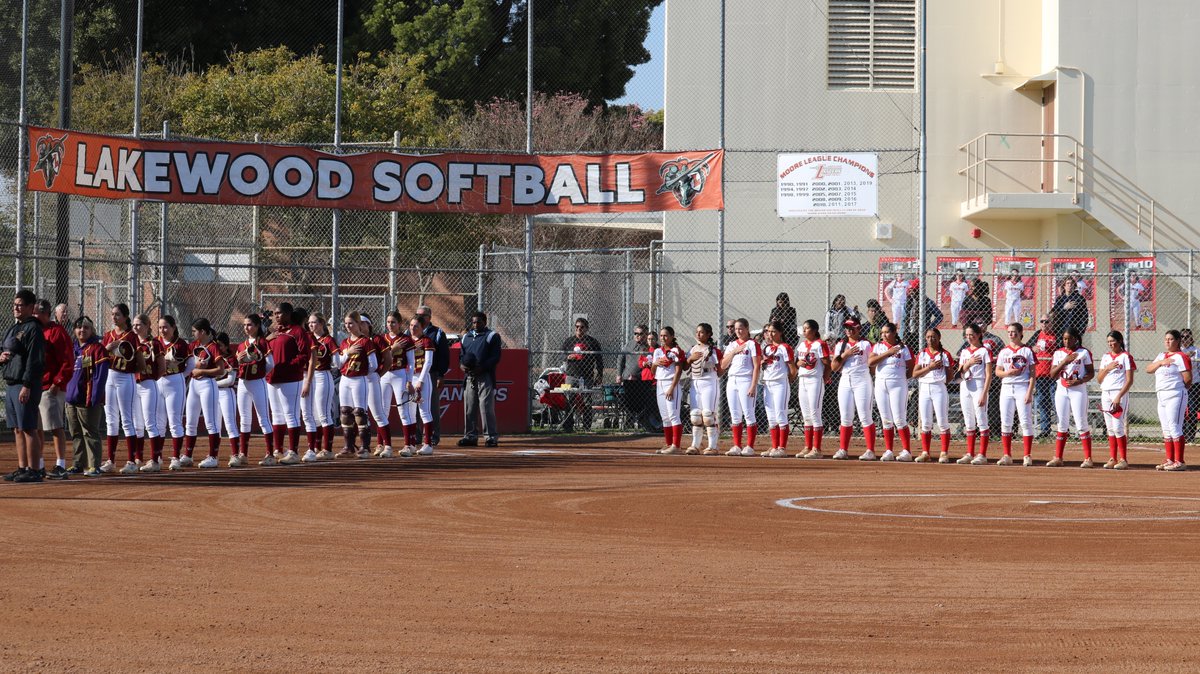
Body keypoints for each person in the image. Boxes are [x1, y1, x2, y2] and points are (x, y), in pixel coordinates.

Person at [2, 290, 47, 483]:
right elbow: (3, 348)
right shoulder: (14, 328)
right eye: (15, 304)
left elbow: (35, 361)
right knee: (17, 429)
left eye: (20, 305)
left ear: (31, 307)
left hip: (24, 383)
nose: (16, 308)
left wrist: (27, 385)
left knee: (28, 427)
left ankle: (34, 469)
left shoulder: (33, 329)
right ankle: (22, 467)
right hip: (12, 382)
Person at [177, 318, 225, 470]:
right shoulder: (194, 346)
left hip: (207, 384)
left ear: (203, 331)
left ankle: (213, 457)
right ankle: (188, 455)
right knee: (190, 422)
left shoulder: (213, 347)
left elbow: (221, 370)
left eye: (194, 331)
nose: (193, 333)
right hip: (194, 385)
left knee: (210, 422)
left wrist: (202, 370)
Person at [34, 300, 74, 479]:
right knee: (37, 428)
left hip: (51, 387)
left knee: (55, 426)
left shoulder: (57, 332)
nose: (33, 316)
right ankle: (39, 464)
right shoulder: (34, 330)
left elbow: (68, 361)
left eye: (36, 313)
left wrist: (57, 383)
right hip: (35, 385)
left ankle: (60, 464)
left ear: (44, 314)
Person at [65, 317, 107, 477]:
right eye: (79, 327)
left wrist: (94, 397)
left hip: (87, 398)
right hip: (71, 399)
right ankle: (78, 463)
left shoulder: (97, 349)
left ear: (92, 330)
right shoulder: (72, 348)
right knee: (75, 432)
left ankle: (94, 465)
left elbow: (100, 376)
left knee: (90, 432)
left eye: (86, 327)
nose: (82, 330)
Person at [1047, 327, 1095, 467]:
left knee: (1081, 423)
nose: (1066, 341)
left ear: (1076, 339)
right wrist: (1065, 361)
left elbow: (1091, 373)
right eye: (1064, 339)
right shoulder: (1059, 353)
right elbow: (1052, 374)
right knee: (1062, 423)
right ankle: (1058, 457)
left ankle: (1088, 458)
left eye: (1069, 338)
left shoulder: (1083, 353)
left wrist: (1080, 381)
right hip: (1061, 389)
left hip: (1078, 390)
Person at [266, 302, 307, 464]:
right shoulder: (275, 333)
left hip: (290, 379)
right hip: (273, 378)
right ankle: (278, 449)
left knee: (291, 414)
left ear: (289, 314)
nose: (276, 316)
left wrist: (289, 366)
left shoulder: (297, 331)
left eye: (280, 313)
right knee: (276, 415)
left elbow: (304, 355)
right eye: (275, 313)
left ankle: (294, 452)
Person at [100, 304, 138, 474]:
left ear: (125, 317)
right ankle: (111, 460)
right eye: (112, 314)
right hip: (110, 376)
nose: (114, 317)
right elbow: (100, 357)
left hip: (125, 377)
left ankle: (131, 461)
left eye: (117, 315)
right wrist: (106, 349)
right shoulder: (108, 335)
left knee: (127, 420)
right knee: (111, 420)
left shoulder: (131, 336)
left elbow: (137, 360)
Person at [830, 317, 875, 460]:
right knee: (845, 417)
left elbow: (872, 363)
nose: (849, 331)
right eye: (847, 328)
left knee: (864, 416)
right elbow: (834, 367)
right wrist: (845, 354)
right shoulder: (841, 344)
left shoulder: (866, 344)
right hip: (845, 381)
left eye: (852, 328)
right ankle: (843, 449)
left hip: (862, 380)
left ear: (858, 328)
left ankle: (870, 451)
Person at [868, 321, 914, 462]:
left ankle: (906, 450)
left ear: (894, 333)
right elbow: (871, 362)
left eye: (887, 332)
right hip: (881, 384)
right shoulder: (878, 346)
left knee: (899, 418)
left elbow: (911, 367)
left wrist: (901, 378)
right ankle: (889, 450)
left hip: (898, 385)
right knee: (886, 419)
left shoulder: (903, 348)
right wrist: (888, 353)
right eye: (882, 333)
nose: (884, 335)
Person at [333, 311, 376, 458]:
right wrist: (347, 353)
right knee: (345, 411)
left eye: (351, 323)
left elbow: (373, 365)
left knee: (359, 412)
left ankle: (365, 447)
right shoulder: (345, 342)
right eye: (346, 323)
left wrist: (362, 371)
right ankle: (349, 446)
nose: (348, 326)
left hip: (359, 379)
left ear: (358, 324)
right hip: (345, 378)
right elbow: (338, 363)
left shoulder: (366, 341)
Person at [1147, 330, 1191, 471]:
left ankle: (1179, 461)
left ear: (1178, 341)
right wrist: (1161, 362)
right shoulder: (1161, 356)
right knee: (1166, 429)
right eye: (1166, 339)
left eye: (1171, 339)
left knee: (1174, 427)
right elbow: (1148, 369)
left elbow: (1188, 378)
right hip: (1162, 395)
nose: (1167, 341)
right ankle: (1170, 459)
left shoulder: (1181, 356)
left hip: (1175, 394)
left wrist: (1179, 389)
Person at [994, 322, 1036, 466]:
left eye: (1014, 332)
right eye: (1009, 332)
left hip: (1022, 386)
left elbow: (1032, 373)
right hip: (1006, 387)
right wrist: (1007, 373)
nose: (1011, 334)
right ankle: (1007, 455)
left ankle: (1027, 455)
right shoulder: (1004, 351)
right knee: (1006, 422)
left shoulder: (1027, 350)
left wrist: (1030, 392)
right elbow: (997, 371)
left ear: (1020, 333)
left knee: (1025, 421)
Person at [127, 314, 165, 473]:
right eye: (134, 325)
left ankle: (155, 460)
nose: (135, 327)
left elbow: (162, 368)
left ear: (148, 325)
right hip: (134, 385)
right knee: (137, 425)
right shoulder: (130, 343)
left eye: (139, 324)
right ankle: (138, 458)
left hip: (149, 384)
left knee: (150, 423)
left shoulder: (154, 343)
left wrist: (151, 379)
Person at [234, 313, 274, 467]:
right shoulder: (241, 345)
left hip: (258, 382)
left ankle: (270, 454)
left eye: (249, 324)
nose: (246, 327)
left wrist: (261, 374)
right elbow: (238, 364)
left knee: (263, 418)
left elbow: (271, 364)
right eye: (244, 325)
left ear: (257, 326)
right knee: (244, 419)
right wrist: (239, 361)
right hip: (243, 383)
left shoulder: (263, 342)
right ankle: (243, 454)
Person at [458, 311, 503, 448]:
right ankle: (470, 436)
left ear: (485, 322)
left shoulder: (491, 336)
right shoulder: (466, 337)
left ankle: (490, 437)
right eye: (473, 322)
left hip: (485, 375)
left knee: (486, 407)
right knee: (469, 407)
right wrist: (462, 366)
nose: (476, 324)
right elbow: (461, 356)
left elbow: (495, 357)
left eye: (478, 322)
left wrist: (482, 367)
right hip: (470, 376)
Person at [912, 327, 954, 463]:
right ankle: (925, 452)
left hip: (938, 387)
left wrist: (942, 376)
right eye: (928, 337)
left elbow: (950, 376)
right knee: (926, 422)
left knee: (942, 421)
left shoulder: (945, 354)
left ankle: (944, 452)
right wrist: (929, 367)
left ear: (939, 338)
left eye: (934, 336)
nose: (931, 339)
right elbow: (915, 374)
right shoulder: (922, 354)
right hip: (924, 388)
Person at [720, 318, 761, 456]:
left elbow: (757, 366)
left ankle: (749, 446)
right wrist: (734, 351)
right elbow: (723, 365)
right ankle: (737, 445)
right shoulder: (732, 345)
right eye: (736, 329)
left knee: (748, 413)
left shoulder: (752, 344)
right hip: (732, 380)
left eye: (741, 328)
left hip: (746, 380)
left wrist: (753, 385)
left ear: (747, 328)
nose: (738, 331)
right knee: (735, 415)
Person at [1097, 330, 1135, 470]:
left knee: (1118, 427)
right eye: (1108, 342)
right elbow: (1099, 379)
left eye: (1113, 341)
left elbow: (1130, 380)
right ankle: (1113, 458)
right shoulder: (1106, 357)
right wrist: (1107, 368)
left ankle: (1123, 459)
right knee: (1110, 428)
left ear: (1119, 341)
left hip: (1119, 393)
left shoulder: (1125, 356)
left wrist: (1119, 396)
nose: (1111, 344)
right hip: (1105, 392)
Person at [156, 316, 191, 466]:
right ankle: (157, 456)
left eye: (165, 327)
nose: (163, 330)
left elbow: (191, 364)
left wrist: (180, 376)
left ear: (173, 327)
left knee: (175, 422)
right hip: (158, 381)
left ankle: (176, 458)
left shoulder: (181, 344)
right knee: (159, 423)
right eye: (160, 327)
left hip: (175, 382)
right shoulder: (155, 342)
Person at [379, 311, 415, 457]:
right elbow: (379, 359)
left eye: (393, 322)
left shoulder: (406, 339)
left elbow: (411, 363)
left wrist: (409, 380)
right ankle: (381, 444)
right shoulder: (382, 339)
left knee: (403, 410)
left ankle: (408, 445)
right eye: (388, 322)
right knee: (382, 410)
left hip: (399, 374)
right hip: (384, 375)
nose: (390, 325)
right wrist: (392, 350)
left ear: (400, 324)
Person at [956, 323, 993, 464]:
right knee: (969, 421)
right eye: (967, 335)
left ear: (979, 335)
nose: (969, 337)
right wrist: (969, 363)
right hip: (965, 385)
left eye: (972, 334)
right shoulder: (965, 352)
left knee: (981, 420)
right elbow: (960, 372)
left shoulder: (984, 351)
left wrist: (984, 393)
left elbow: (989, 374)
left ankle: (982, 454)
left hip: (978, 385)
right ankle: (970, 453)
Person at [759, 320, 797, 458]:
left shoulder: (785, 347)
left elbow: (793, 369)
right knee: (771, 417)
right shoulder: (767, 348)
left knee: (781, 414)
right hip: (768, 383)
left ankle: (782, 447)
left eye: (773, 331)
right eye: (768, 331)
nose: (770, 334)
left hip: (780, 383)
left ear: (780, 333)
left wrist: (788, 380)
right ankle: (774, 446)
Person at [359, 314, 394, 458]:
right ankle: (365, 446)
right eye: (358, 323)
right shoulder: (356, 340)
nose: (360, 326)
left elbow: (388, 360)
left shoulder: (377, 339)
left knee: (378, 413)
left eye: (363, 323)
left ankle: (387, 446)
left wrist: (379, 374)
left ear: (369, 325)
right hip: (357, 379)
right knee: (359, 414)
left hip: (372, 378)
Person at [684, 323, 722, 455]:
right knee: (695, 415)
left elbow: (721, 370)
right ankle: (695, 445)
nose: (698, 335)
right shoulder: (692, 349)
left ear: (708, 335)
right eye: (697, 332)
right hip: (695, 381)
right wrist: (690, 358)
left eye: (701, 332)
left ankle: (713, 446)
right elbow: (684, 367)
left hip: (709, 381)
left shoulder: (713, 350)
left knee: (708, 415)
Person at [794, 319, 830, 459]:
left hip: (815, 380)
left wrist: (825, 378)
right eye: (803, 328)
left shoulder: (820, 344)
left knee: (815, 414)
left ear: (814, 330)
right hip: (803, 380)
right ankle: (808, 446)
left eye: (807, 328)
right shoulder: (802, 345)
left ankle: (817, 448)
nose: (804, 331)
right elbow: (797, 361)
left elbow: (827, 364)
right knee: (806, 416)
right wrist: (799, 363)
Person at [560, 317, 603, 432]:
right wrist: (568, 357)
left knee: (587, 401)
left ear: (587, 329)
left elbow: (599, 360)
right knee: (569, 399)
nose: (579, 329)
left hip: (587, 376)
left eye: (582, 327)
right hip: (570, 376)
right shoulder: (569, 341)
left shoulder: (592, 342)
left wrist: (599, 375)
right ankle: (568, 426)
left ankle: (586, 426)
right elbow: (561, 355)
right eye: (577, 327)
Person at [306, 313, 339, 460]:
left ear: (321, 324)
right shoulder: (308, 338)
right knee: (314, 416)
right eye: (309, 323)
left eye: (314, 322)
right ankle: (317, 447)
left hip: (323, 376)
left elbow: (338, 361)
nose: (311, 325)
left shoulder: (328, 340)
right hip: (310, 378)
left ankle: (328, 449)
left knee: (324, 414)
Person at [416, 305, 450, 446]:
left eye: (423, 315)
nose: (420, 317)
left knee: (432, 406)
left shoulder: (437, 333)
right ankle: (416, 436)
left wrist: (441, 375)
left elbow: (444, 356)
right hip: (415, 374)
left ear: (429, 317)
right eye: (417, 314)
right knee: (414, 405)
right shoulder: (410, 331)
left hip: (431, 373)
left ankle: (433, 435)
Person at [651, 326, 687, 454]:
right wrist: (655, 364)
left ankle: (676, 446)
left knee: (673, 415)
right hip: (660, 383)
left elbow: (679, 370)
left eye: (666, 335)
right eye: (661, 336)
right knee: (665, 417)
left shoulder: (676, 350)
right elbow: (652, 372)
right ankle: (668, 444)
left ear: (672, 336)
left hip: (671, 384)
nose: (663, 338)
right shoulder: (657, 352)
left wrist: (672, 387)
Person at [616, 324, 656, 433]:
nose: (638, 336)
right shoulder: (629, 344)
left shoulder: (649, 346)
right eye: (636, 334)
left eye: (641, 334)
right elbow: (620, 359)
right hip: (627, 379)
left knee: (643, 403)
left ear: (646, 334)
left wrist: (637, 376)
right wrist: (619, 375)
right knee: (628, 402)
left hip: (642, 380)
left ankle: (643, 424)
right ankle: (628, 423)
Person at [406, 316, 437, 456]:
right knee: (410, 412)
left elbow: (428, 362)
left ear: (422, 327)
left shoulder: (426, 340)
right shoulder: (406, 341)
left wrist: (421, 380)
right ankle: (411, 444)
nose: (413, 328)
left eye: (416, 326)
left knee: (424, 411)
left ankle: (428, 444)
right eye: (411, 325)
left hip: (421, 378)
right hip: (409, 378)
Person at [212, 333, 242, 468]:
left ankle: (235, 455)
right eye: (216, 345)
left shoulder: (231, 359)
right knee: (215, 425)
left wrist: (212, 383)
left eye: (221, 345)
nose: (218, 348)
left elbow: (230, 380)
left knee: (230, 424)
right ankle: (214, 456)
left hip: (226, 393)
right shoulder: (214, 358)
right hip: (214, 394)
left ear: (226, 345)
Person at [1026, 313, 1058, 438]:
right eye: (1042, 321)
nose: (1044, 324)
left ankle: (1062, 429)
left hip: (1053, 374)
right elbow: (1028, 347)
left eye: (1047, 321)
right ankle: (1045, 430)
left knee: (1056, 402)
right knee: (1043, 401)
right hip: (1040, 374)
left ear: (1052, 323)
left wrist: (1051, 347)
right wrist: (1032, 348)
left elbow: (1062, 349)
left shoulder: (1057, 335)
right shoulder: (1037, 334)